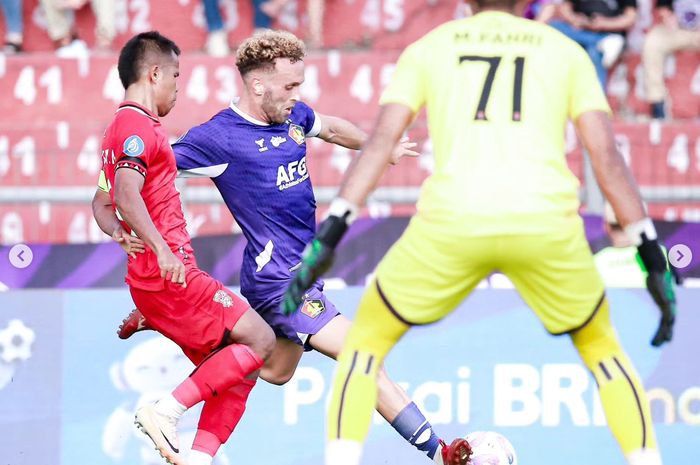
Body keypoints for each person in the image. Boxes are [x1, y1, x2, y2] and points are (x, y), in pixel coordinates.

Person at [281, 2, 678, 465]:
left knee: (363, 348)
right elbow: (606, 157)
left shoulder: (430, 48)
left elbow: (381, 144)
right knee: (605, 352)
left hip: (454, 221)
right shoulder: (564, 50)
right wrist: (652, 254)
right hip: (544, 224)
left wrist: (330, 235)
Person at [116, 29, 471, 465]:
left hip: (299, 277)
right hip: (278, 282)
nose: (296, 95)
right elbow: (150, 164)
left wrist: (382, 146)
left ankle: (182, 361)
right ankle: (440, 452)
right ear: (257, 84)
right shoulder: (219, 138)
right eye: (290, 86)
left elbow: (333, 128)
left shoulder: (292, 117)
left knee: (273, 370)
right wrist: (118, 198)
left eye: (299, 85)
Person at [91, 31, 276, 465]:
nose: (178, 84)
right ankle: (164, 411)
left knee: (240, 369)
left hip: (158, 281)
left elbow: (101, 204)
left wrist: (119, 233)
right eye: (175, 74)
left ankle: (198, 459)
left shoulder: (118, 131)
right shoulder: (136, 127)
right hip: (168, 273)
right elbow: (126, 192)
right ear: (154, 73)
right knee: (261, 339)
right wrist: (161, 250)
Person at [549, 0, 637, 89]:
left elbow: (630, 18)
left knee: (594, 52)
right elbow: (565, 8)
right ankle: (600, 41)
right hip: (581, 31)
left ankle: (597, 96)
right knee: (553, 28)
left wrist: (605, 23)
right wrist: (574, 19)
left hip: (608, 32)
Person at [642, 0, 700, 119]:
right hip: (677, 30)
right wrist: (668, 17)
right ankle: (657, 102)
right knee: (653, 42)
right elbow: (663, 6)